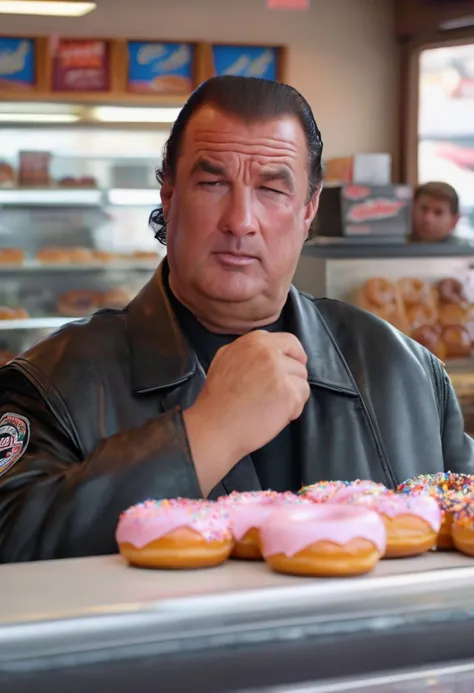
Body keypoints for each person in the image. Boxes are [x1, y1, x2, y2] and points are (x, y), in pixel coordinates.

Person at [0, 76, 472, 564]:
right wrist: (207, 432)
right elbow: (11, 539)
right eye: (213, 183)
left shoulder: (407, 372)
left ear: (309, 209)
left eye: (271, 188)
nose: (240, 219)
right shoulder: (52, 382)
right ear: (168, 194)